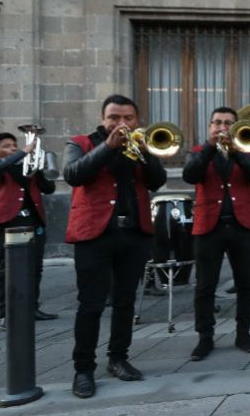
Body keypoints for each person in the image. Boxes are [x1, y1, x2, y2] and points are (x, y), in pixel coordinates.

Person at [64, 94, 167, 398]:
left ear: (136, 120)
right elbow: (73, 174)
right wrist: (108, 147)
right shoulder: (80, 142)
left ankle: (118, 358)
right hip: (94, 235)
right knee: (91, 304)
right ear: (103, 119)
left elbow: (156, 181)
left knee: (125, 302)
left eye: (128, 118)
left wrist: (146, 154)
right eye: (114, 118)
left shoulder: (139, 144)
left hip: (133, 234)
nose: (121, 123)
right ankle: (83, 369)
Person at [182, 107, 250, 361]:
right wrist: (210, 148)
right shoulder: (198, 152)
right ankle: (204, 337)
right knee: (205, 285)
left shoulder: (249, 150)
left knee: (246, 283)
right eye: (217, 123)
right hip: (209, 225)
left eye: (228, 123)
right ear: (209, 127)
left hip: (243, 225)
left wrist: (238, 151)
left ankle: (244, 333)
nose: (222, 127)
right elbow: (190, 175)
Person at [0, 132, 58, 331]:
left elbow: (48, 189)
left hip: (34, 219)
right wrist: (24, 152)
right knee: (7, 269)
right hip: (8, 220)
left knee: (36, 266)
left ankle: (32, 308)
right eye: (7, 146)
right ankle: (5, 314)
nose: (13, 148)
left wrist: (40, 168)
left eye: (15, 145)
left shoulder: (26, 167)